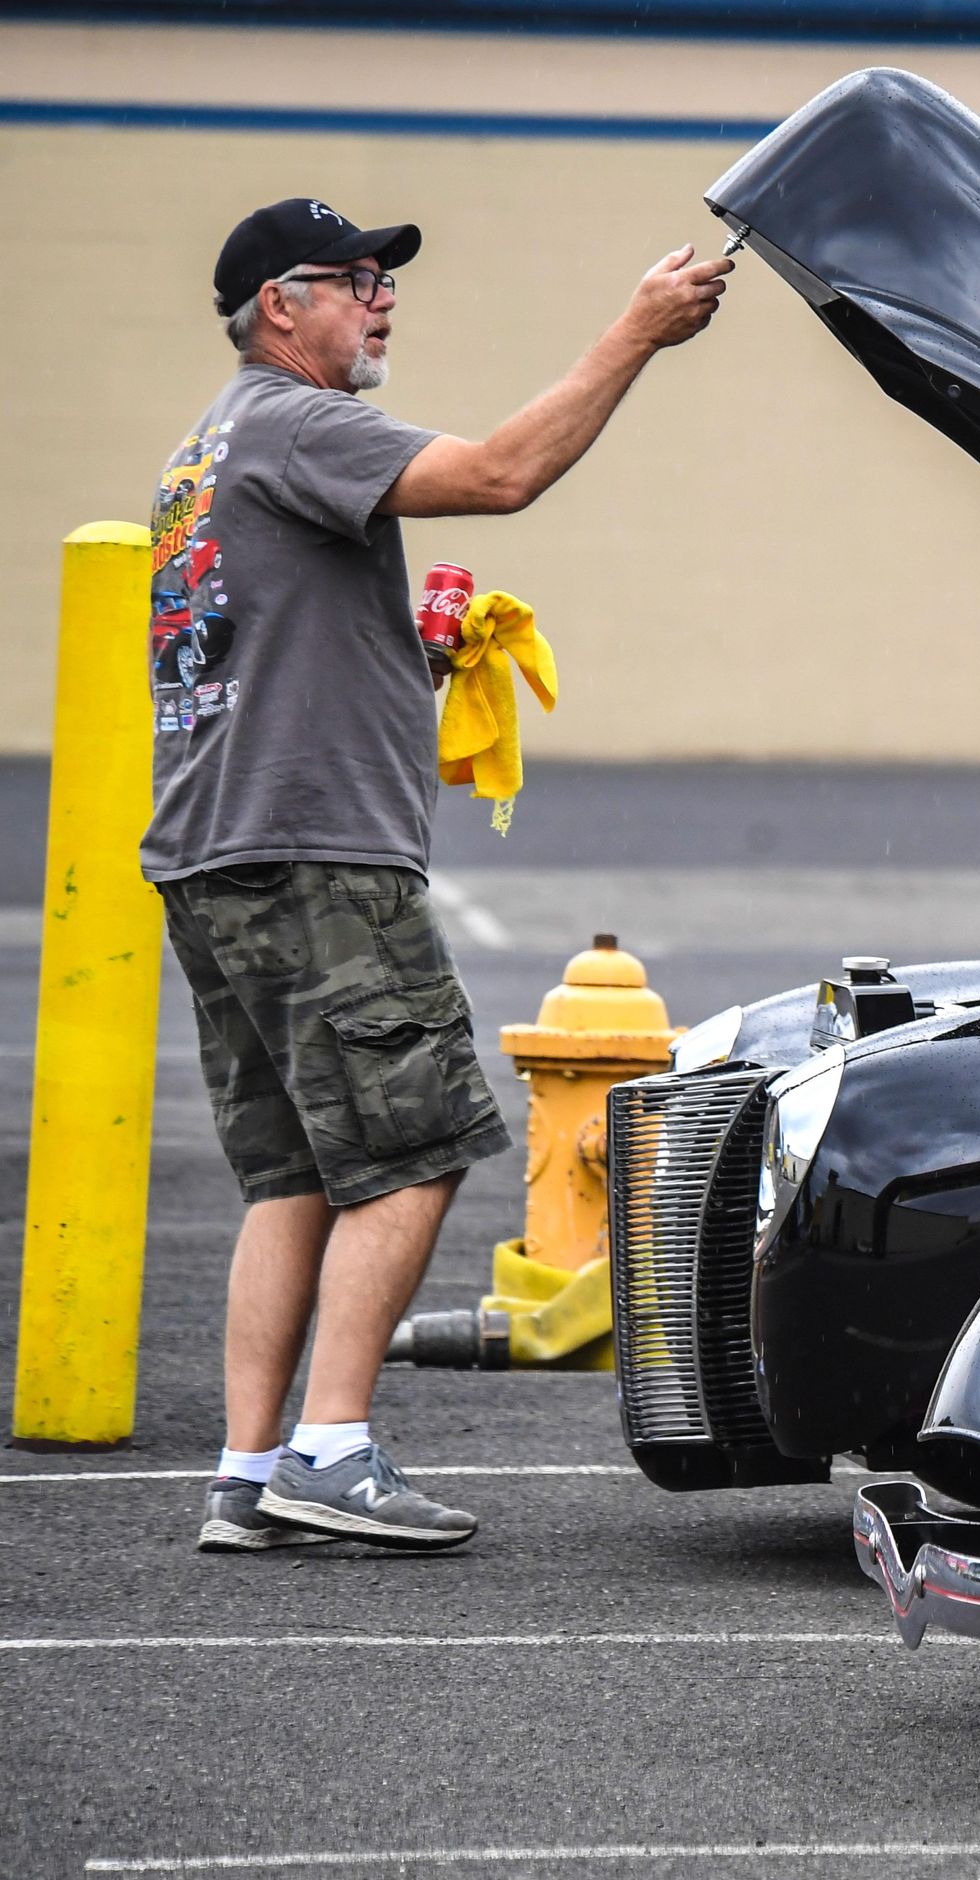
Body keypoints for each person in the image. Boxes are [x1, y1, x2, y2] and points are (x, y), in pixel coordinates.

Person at [154, 197, 731, 1553]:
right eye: (351, 280)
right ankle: (334, 1450)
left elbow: (245, 656)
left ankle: (249, 1471)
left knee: (294, 1175)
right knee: (414, 1153)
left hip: (221, 851)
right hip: (317, 858)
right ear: (276, 309)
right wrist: (638, 331)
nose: (382, 298)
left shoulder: (213, 445)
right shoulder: (301, 421)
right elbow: (503, 472)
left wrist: (412, 658)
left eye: (383, 278)